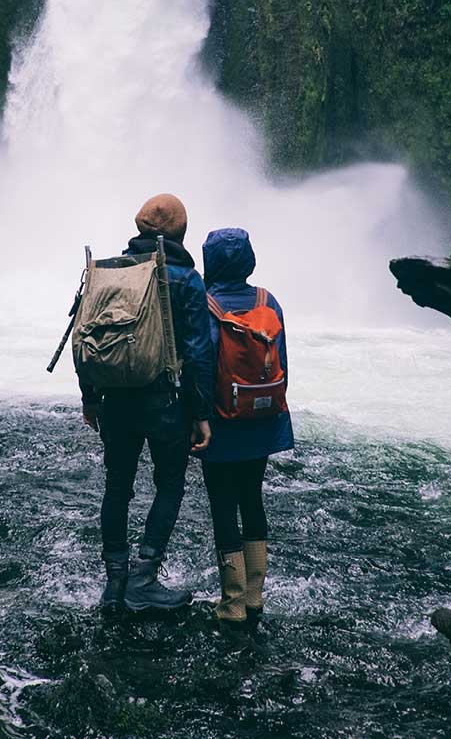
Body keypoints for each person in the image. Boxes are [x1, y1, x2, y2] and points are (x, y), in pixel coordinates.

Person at [80, 193, 215, 613]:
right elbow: (197, 352)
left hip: (115, 399)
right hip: (164, 401)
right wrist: (202, 413)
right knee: (169, 484)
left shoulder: (112, 272)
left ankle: (113, 583)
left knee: (117, 485)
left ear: (140, 228)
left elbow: (87, 336)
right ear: (181, 233)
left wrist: (90, 398)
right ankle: (143, 577)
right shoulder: (185, 279)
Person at [198, 228, 294, 623]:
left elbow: (202, 368)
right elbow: (282, 358)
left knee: (223, 504)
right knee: (252, 498)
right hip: (262, 417)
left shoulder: (207, 305)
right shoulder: (267, 301)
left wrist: (198, 418)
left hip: (222, 423)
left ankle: (232, 603)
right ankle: (255, 597)